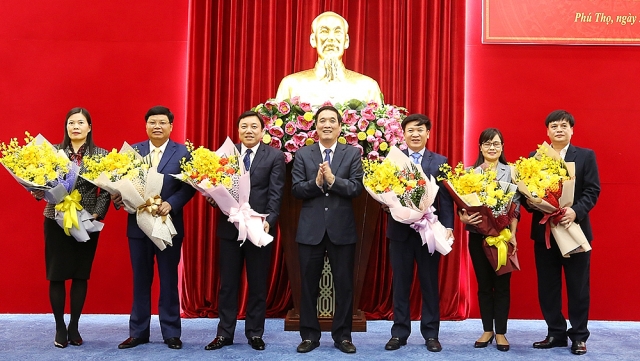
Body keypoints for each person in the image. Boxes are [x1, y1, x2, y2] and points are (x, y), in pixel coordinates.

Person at [114, 106, 195, 350]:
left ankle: (171, 333)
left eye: (162, 122)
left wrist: (171, 204)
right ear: (145, 125)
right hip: (138, 226)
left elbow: (189, 187)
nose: (157, 126)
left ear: (171, 126)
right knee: (141, 279)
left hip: (167, 224)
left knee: (169, 279)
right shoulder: (132, 152)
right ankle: (138, 332)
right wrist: (118, 196)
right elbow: (120, 183)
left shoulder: (183, 152)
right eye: (152, 122)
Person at [204, 111, 285, 351]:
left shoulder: (274, 156)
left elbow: (276, 192)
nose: (248, 131)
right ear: (238, 131)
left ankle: (255, 333)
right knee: (228, 284)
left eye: (253, 127)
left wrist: (270, 218)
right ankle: (224, 333)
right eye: (243, 127)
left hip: (259, 227)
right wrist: (213, 198)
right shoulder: (225, 156)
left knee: (258, 283)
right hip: (230, 227)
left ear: (262, 131)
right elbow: (217, 187)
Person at [31, 107, 111, 348]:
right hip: (56, 219)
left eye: (80, 122)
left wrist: (96, 213)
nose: (75, 127)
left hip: (86, 219)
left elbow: (106, 190)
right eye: (70, 123)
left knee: (80, 274)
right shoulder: (53, 152)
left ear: (89, 127)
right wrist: (37, 191)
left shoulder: (101, 155)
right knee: (56, 275)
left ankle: (74, 325)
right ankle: (59, 326)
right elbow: (39, 184)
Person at [291, 105, 363, 354]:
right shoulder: (303, 154)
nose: (327, 125)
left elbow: (356, 189)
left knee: (343, 285)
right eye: (322, 120)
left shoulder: (352, 154)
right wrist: (316, 183)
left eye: (332, 120)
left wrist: (333, 181)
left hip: (341, 230)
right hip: (310, 230)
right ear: (316, 126)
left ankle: (343, 336)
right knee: (308, 286)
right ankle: (310, 335)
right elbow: (297, 190)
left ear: (340, 127)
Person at [528, 110, 600, 355]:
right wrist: (534, 202)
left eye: (564, 125)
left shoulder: (586, 156)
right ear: (547, 131)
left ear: (572, 130)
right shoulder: (535, 158)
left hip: (574, 229)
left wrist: (575, 211)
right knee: (548, 286)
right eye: (554, 126)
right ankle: (555, 333)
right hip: (545, 232)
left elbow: (592, 190)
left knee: (578, 287)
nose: (559, 129)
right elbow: (527, 194)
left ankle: (579, 336)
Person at [384, 113, 454, 352]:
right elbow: (384, 192)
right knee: (400, 284)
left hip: (430, 232)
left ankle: (431, 334)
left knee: (429, 284)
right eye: (411, 130)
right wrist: (388, 204)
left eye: (420, 130)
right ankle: (399, 333)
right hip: (400, 233)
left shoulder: (440, 161)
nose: (415, 134)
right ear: (403, 134)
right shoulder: (393, 160)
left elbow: (446, 201)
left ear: (428, 134)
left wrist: (448, 228)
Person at [458, 128, 520, 352]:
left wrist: (512, 234)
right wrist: (463, 216)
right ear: (480, 147)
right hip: (478, 237)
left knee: (502, 286)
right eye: (487, 144)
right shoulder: (469, 173)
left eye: (496, 143)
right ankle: (487, 329)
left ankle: (501, 332)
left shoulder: (512, 172)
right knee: (484, 285)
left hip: (503, 238)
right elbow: (462, 206)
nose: (491, 147)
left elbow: (516, 207)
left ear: (502, 147)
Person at [275, 11, 382, 105]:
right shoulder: (291, 85)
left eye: (337, 32)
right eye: (324, 32)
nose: (331, 38)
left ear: (346, 41)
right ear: (313, 40)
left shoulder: (368, 87)